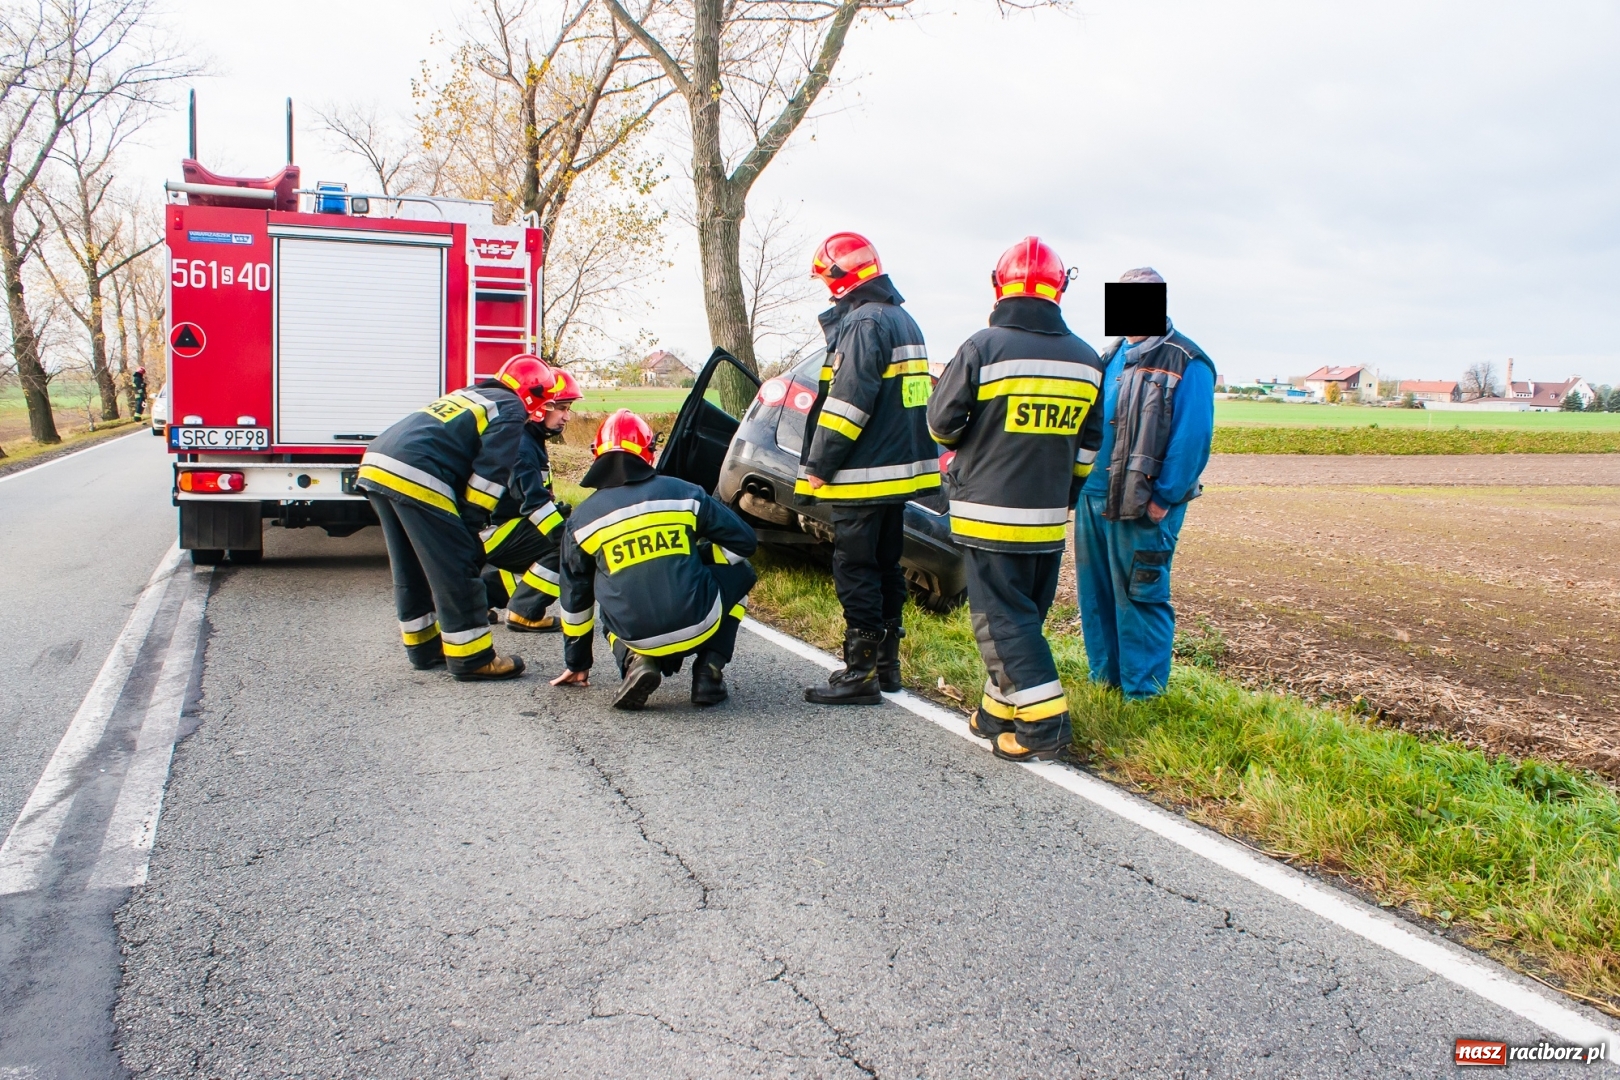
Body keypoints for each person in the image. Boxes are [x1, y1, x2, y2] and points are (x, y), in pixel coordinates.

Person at [927, 237, 1104, 761]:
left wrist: (970, 441)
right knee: (1023, 616)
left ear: (998, 285)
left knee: (1000, 622)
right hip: (1048, 517)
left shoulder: (982, 347)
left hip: (988, 513)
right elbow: (1089, 447)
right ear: (1060, 288)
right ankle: (995, 713)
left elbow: (940, 424)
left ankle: (1045, 726)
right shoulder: (1088, 360)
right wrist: (1064, 494)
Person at [796, 232, 940, 706]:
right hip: (899, 474)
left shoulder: (864, 323)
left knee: (855, 567)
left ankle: (860, 674)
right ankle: (886, 666)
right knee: (885, 566)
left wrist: (819, 464)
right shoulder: (905, 320)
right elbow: (913, 401)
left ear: (840, 278)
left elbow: (847, 403)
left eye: (827, 279)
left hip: (862, 474)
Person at [551, 410, 758, 710]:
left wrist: (578, 661)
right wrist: (700, 557)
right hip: (700, 621)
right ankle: (709, 673)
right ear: (650, 453)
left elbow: (575, 599)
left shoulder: (581, 521)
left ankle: (635, 660)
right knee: (742, 572)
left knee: (602, 586)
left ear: (597, 456)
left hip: (635, 634)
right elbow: (745, 542)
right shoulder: (684, 493)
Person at [356, 355, 547, 680]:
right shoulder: (511, 407)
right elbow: (491, 472)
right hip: (416, 472)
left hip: (378, 465)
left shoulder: (473, 394)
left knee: (409, 566)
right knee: (456, 563)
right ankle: (472, 658)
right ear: (533, 393)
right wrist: (470, 526)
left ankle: (424, 648)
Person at [1075, 268, 1215, 698]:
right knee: (1095, 599)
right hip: (1094, 497)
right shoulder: (1109, 355)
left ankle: (1144, 697)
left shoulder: (1186, 360)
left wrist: (1164, 499)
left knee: (1140, 598)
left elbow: (1192, 439)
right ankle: (1106, 685)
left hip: (1143, 503)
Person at [480, 362, 582, 632]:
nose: (566, 417)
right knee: (568, 545)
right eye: (561, 408)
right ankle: (524, 611)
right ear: (540, 408)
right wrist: (567, 539)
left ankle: (475, 601)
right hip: (496, 533)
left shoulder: (529, 439)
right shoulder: (523, 445)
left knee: (555, 540)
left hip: (498, 530)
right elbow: (533, 503)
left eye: (568, 409)